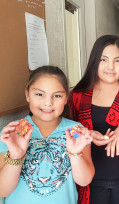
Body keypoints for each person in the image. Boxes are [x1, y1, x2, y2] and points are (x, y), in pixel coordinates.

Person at [68, 35, 119, 204]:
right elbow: (66, 130)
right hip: (88, 182)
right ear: (94, 61)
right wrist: (86, 133)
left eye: (117, 61)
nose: (111, 66)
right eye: (104, 60)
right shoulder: (77, 96)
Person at [0, 66, 94, 204]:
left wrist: (74, 154)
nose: (48, 103)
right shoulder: (13, 132)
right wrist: (16, 156)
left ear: (66, 98)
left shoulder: (75, 130)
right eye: (39, 94)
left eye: (57, 96)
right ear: (27, 94)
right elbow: (3, 190)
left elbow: (84, 180)